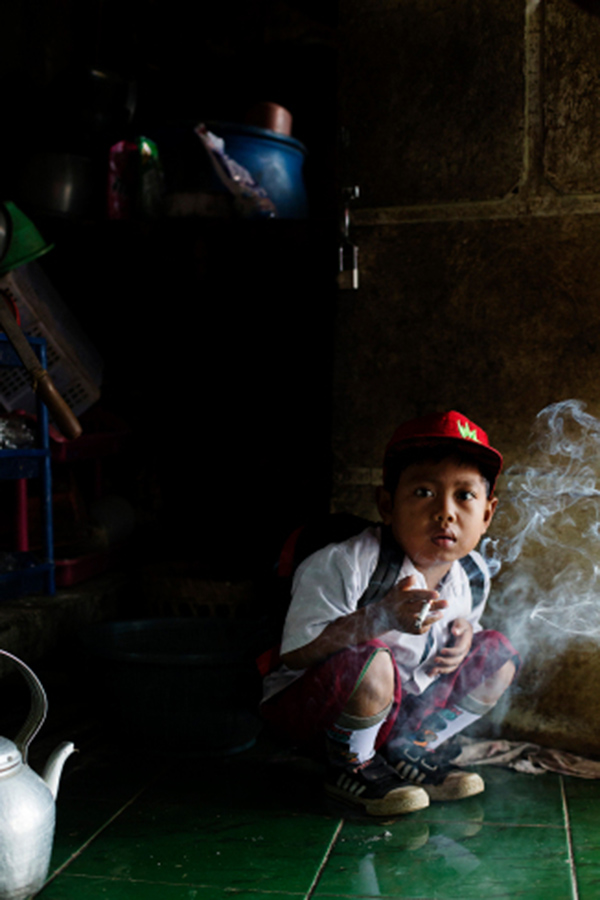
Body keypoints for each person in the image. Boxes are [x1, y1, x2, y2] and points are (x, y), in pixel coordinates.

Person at [260, 410, 519, 817]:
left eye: (465, 495)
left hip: (401, 712)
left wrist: (466, 633)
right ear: (387, 504)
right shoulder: (348, 563)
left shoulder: (473, 573)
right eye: (422, 492)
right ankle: (353, 765)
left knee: (498, 654)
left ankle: (412, 751)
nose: (446, 512)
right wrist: (377, 618)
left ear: (486, 514)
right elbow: (295, 653)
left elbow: (468, 627)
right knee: (374, 659)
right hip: (317, 715)